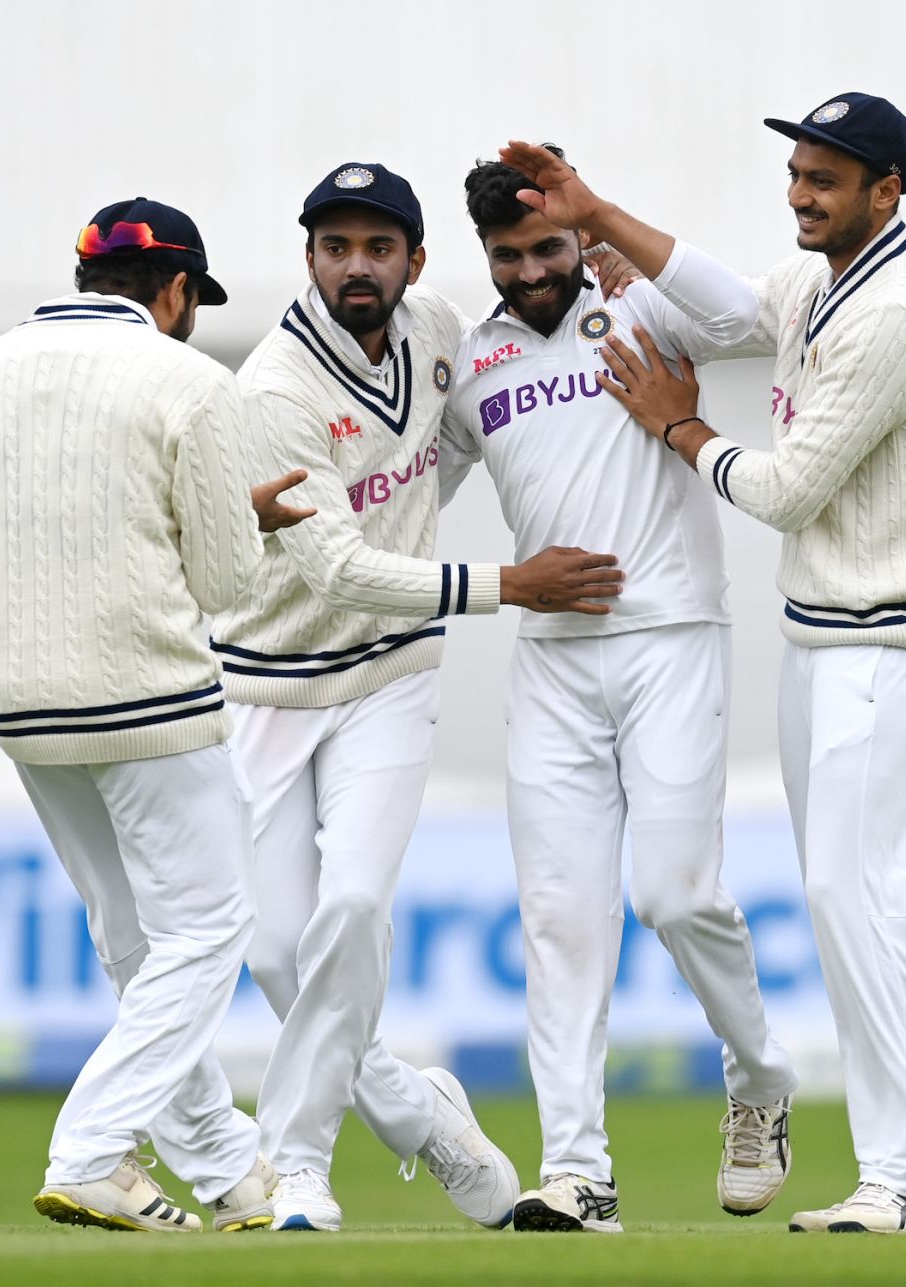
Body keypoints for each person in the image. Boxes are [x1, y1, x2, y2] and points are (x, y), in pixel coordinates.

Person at [501, 91, 906, 1236]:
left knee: (848, 895)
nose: (801, 194)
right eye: (798, 174)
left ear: (888, 191)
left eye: (825, 179)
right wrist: (600, 214)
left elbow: (782, 491)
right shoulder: (823, 283)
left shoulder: (896, 316)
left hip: (891, 638)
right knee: (872, 910)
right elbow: (730, 302)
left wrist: (680, 426)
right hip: (827, 640)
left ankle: (901, 1179)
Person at [210, 162, 626, 1233]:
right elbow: (339, 570)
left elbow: (441, 448)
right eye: (336, 247)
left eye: (378, 248)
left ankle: (295, 1164)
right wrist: (508, 585)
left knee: (352, 909)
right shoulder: (274, 391)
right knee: (273, 953)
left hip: (389, 681)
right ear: (308, 257)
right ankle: (416, 1110)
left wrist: (612, 281)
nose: (358, 266)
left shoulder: (438, 329)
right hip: (269, 684)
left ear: (415, 262)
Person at [436, 148, 798, 1234]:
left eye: (550, 246)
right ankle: (578, 1173)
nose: (533, 270)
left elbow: (751, 318)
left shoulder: (642, 301)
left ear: (575, 236)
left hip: (672, 639)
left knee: (675, 895)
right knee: (558, 920)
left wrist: (605, 217)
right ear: (488, 259)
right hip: (549, 656)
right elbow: (411, 498)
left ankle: (760, 1080)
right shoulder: (475, 360)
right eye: (510, 256)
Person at [0, 198, 312, 1234]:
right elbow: (230, 585)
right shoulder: (189, 378)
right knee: (207, 928)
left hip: (17, 700)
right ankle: (94, 1150)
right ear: (177, 291)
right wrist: (250, 520)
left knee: (134, 936)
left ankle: (225, 1168)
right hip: (146, 695)